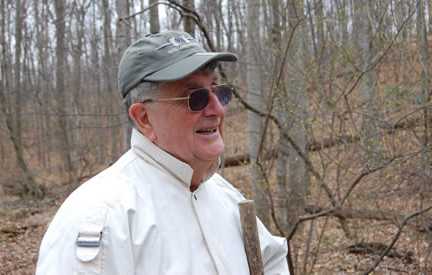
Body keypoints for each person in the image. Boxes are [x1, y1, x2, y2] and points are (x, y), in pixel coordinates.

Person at [36, 30, 290, 274]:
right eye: (195, 98)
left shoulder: (227, 199)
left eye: (218, 91)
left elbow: (272, 263)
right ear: (144, 118)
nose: (218, 110)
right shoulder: (104, 216)